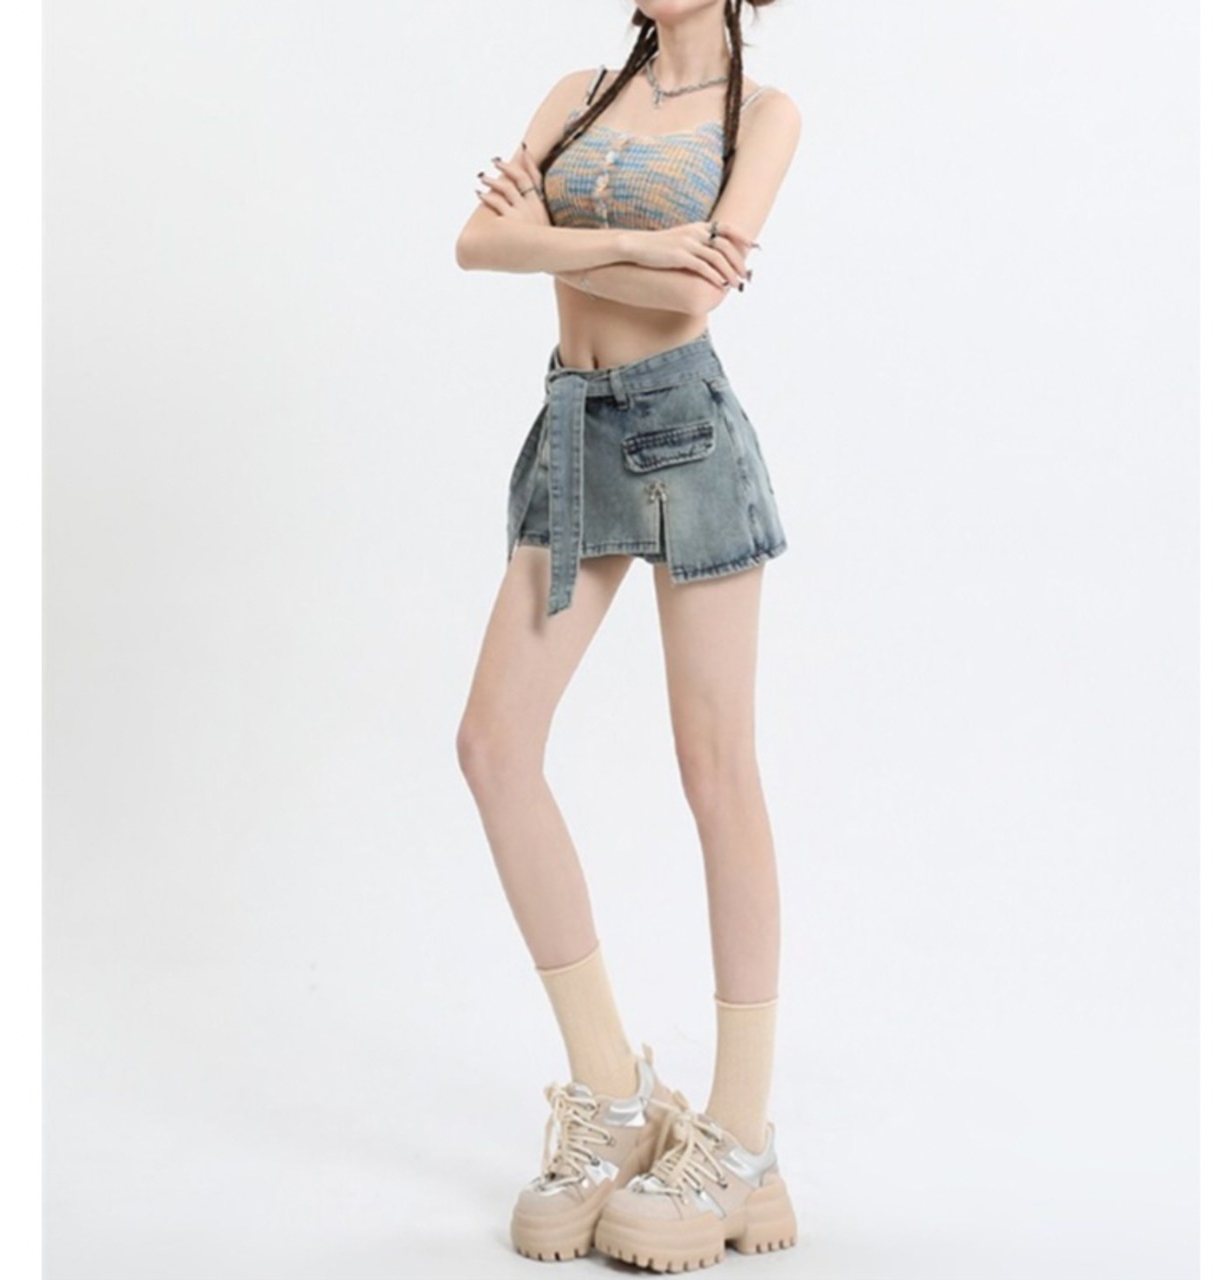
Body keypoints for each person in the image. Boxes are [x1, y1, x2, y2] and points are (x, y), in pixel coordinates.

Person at [453, 1, 801, 1269]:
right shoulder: (577, 91)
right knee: (493, 746)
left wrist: (548, 241)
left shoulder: (761, 118)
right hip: (574, 425)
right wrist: (644, 240)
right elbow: (472, 244)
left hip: (683, 427)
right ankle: (612, 1093)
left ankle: (742, 1139)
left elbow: (701, 286)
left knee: (716, 771)